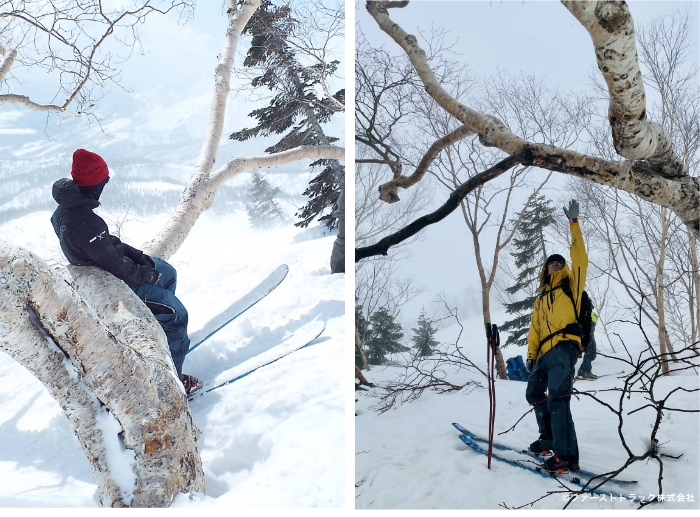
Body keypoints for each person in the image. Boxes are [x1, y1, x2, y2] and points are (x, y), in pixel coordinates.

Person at [50, 148, 202, 396]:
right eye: (104, 179)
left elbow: (106, 244)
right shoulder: (82, 220)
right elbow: (118, 268)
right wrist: (147, 274)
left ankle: (156, 335)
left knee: (167, 271)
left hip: (104, 270)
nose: (106, 183)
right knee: (176, 313)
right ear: (93, 182)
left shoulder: (71, 210)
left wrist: (141, 257)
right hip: (109, 282)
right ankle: (171, 383)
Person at [524, 199, 587, 474]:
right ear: (546, 269)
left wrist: (574, 225)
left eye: (560, 262)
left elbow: (580, 259)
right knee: (535, 393)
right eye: (552, 263)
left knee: (558, 398)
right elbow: (535, 330)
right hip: (544, 354)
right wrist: (530, 355)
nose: (557, 265)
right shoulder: (540, 299)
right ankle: (549, 440)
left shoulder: (571, 288)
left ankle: (565, 456)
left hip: (563, 348)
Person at [576, 308, 598, 380]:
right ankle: (586, 372)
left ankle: (581, 372)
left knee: (591, 354)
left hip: (589, 337)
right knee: (590, 354)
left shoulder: (588, 314)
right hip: (588, 337)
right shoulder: (586, 315)